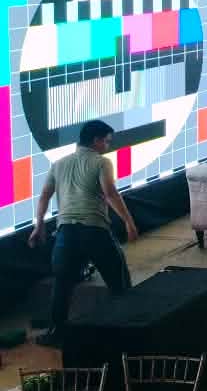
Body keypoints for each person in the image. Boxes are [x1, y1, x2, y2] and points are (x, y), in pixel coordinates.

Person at [30, 119, 137, 339]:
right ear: (96, 140)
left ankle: (56, 333)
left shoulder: (58, 164)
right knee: (119, 282)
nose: (107, 146)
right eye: (106, 142)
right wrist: (128, 221)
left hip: (65, 234)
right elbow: (110, 193)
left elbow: (44, 196)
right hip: (94, 231)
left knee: (62, 286)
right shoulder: (102, 162)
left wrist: (38, 225)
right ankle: (128, 329)